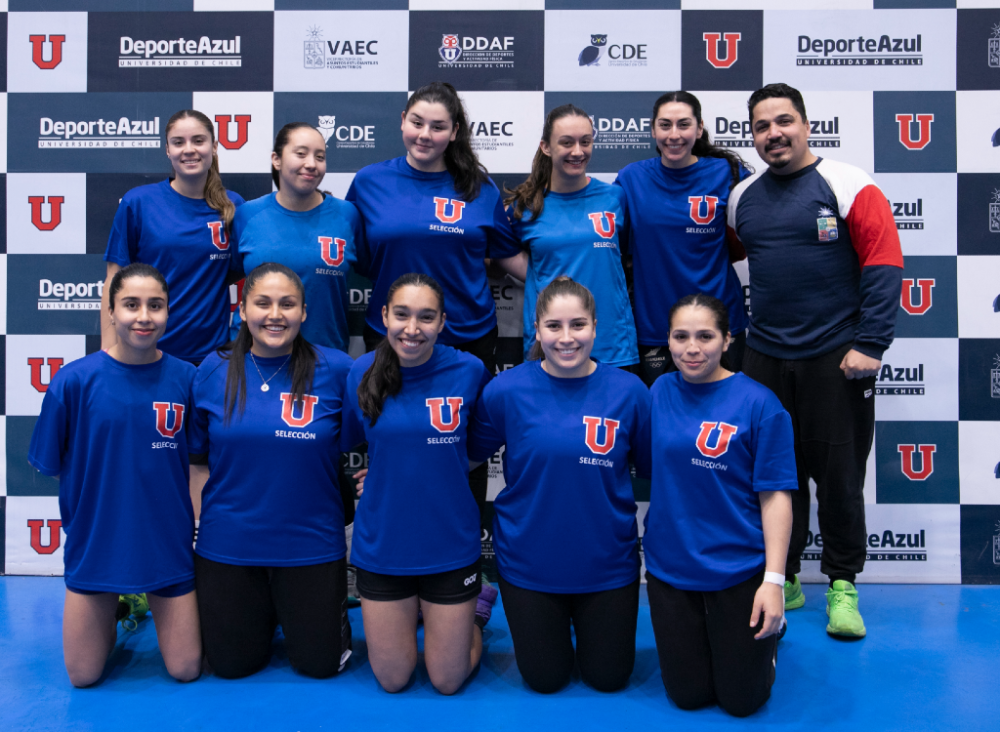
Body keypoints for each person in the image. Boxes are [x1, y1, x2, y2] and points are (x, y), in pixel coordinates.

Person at [727, 83, 904, 637]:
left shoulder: (849, 184)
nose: (773, 134)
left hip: (837, 358)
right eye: (761, 127)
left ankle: (844, 583)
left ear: (806, 125)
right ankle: (788, 575)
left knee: (840, 476)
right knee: (774, 475)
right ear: (752, 135)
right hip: (765, 359)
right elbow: (734, 266)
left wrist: (871, 343)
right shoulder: (742, 198)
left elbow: (884, 263)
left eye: (784, 122)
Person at [468, 276, 649, 693]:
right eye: (554, 326)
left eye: (578, 325)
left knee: (608, 679)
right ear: (536, 327)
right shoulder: (506, 391)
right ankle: (478, 610)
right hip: (529, 563)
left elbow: (662, 469)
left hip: (608, 564)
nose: (567, 338)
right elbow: (464, 458)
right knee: (544, 680)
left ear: (596, 326)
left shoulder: (630, 391)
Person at [28, 263, 201, 687]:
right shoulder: (73, 382)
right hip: (97, 545)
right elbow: (55, 469)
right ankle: (117, 607)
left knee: (186, 669)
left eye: (155, 305)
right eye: (131, 304)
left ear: (167, 312)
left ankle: (137, 606)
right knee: (83, 677)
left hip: (167, 545)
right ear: (110, 311)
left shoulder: (188, 379)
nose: (144, 316)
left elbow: (198, 464)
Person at [189, 263, 354, 679]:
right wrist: (199, 523)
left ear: (303, 312)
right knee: (232, 667)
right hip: (229, 545)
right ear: (243, 311)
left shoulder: (337, 370)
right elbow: (197, 460)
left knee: (320, 667)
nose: (275, 314)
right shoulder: (212, 369)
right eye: (262, 303)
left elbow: (377, 434)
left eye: (287, 304)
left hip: (311, 545)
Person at [638, 293, 795, 717]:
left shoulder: (760, 403)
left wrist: (774, 581)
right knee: (688, 697)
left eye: (705, 336)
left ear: (727, 340)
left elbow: (776, 495)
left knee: (743, 702)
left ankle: (769, 649)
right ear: (667, 342)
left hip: (738, 569)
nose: (692, 348)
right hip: (672, 569)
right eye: (681, 336)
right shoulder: (658, 392)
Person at [341, 273, 492, 695]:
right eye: (402, 315)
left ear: (442, 322)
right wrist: (389, 472)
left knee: (447, 680)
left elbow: (473, 450)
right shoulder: (361, 372)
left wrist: (428, 468)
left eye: (426, 317)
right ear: (384, 315)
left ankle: (474, 614)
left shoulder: (469, 370)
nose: (413, 329)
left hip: (449, 541)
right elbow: (363, 440)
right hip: (383, 544)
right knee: (393, 679)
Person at [345, 81, 521, 372]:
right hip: (393, 334)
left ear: (454, 132)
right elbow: (358, 256)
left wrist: (566, 278)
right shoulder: (368, 182)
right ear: (403, 121)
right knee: (386, 417)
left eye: (438, 127)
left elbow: (506, 257)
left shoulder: (480, 188)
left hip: (468, 335)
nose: (425, 135)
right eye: (417, 123)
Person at [614, 91, 751, 385]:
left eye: (683, 124)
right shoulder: (631, 179)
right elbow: (615, 248)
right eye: (665, 125)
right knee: (663, 423)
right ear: (652, 129)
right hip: (656, 326)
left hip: (719, 324)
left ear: (699, 128)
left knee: (724, 420)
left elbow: (748, 242)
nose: (673, 135)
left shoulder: (729, 173)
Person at [102, 109, 245, 365]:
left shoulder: (233, 206)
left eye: (198, 141)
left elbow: (236, 272)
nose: (188, 149)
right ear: (167, 150)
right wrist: (108, 349)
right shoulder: (139, 202)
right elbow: (114, 278)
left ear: (214, 147)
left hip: (213, 358)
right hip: (147, 354)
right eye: (178, 142)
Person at [502, 105, 638, 369]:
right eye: (567, 142)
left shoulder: (614, 197)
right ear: (546, 147)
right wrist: (537, 274)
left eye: (585, 142)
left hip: (612, 344)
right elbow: (499, 254)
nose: (578, 151)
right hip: (550, 344)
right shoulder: (525, 206)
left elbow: (627, 258)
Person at [230, 122, 362, 353]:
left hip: (324, 359)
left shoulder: (347, 215)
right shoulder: (247, 215)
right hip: (254, 358)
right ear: (276, 159)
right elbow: (226, 277)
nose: (311, 164)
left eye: (320, 157)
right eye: (301, 154)